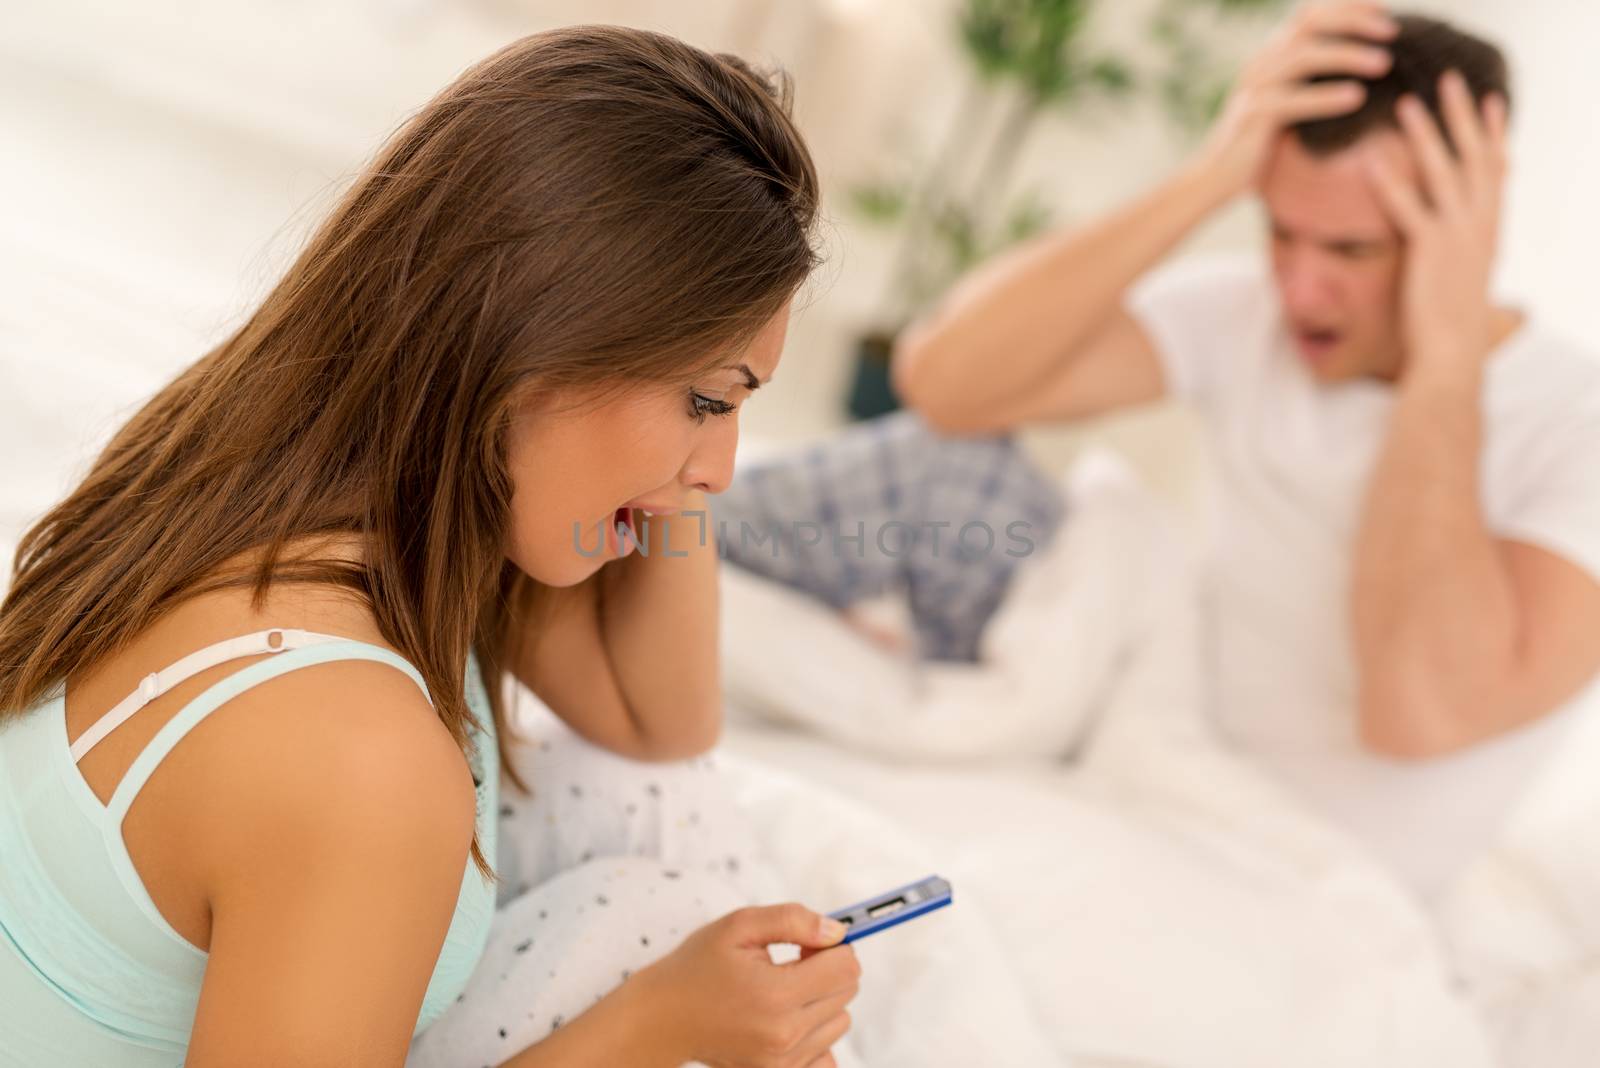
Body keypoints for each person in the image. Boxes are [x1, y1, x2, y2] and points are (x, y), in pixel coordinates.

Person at [0, 26, 861, 1068]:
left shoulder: (245, 476)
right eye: (706, 401)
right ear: (535, 339)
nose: (722, 471)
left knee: (657, 825)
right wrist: (649, 1026)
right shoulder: (362, 760)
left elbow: (660, 727)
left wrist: (671, 450)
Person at [733, 4, 1600, 897]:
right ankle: (646, 544)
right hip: (1141, 739)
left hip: (1305, 870)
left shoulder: (1574, 423)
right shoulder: (1249, 316)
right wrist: (1211, 178)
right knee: (950, 473)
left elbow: (1415, 714)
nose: (1301, 287)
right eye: (1282, 230)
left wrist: (1446, 355)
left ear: (1469, 222)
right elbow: (946, 380)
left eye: (1350, 248)